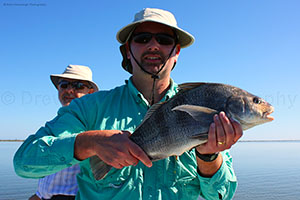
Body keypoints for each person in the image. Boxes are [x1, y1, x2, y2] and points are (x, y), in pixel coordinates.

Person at [14, 8, 243, 200]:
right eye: (142, 38)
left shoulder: (204, 108)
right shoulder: (91, 108)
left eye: (164, 40)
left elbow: (221, 195)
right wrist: (89, 143)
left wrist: (209, 156)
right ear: (127, 50)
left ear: (177, 52)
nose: (153, 45)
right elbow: (24, 162)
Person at [28, 65, 98, 200]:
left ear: (90, 93)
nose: (69, 90)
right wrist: (38, 196)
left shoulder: (95, 126)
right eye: (64, 85)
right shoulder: (54, 125)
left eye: (78, 86)